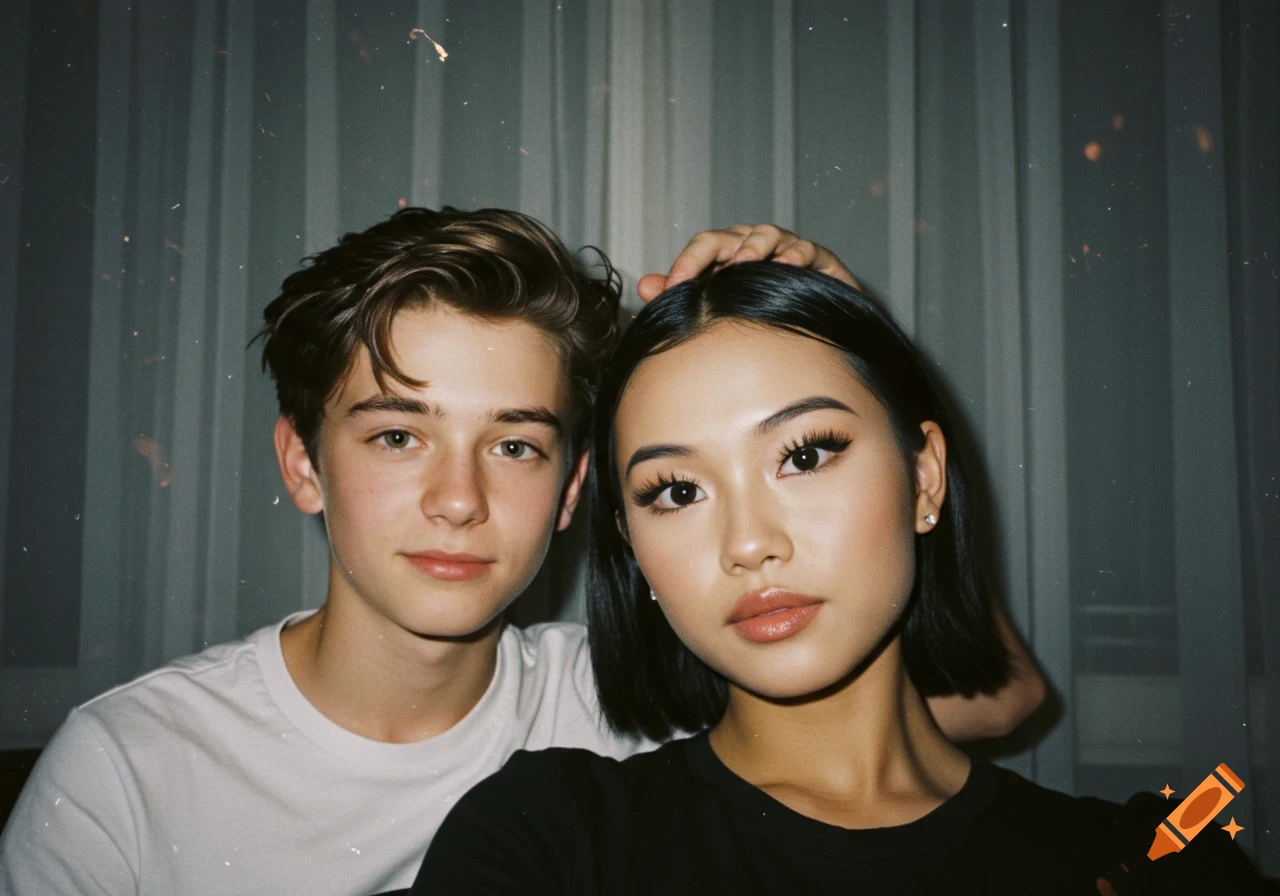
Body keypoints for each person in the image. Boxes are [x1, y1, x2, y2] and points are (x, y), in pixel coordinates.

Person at [0, 213, 1042, 896]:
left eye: (514, 442)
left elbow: (991, 698)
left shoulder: (629, 690)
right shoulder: (129, 771)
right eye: (397, 435)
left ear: (571, 491)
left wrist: (846, 343)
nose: (458, 499)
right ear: (302, 464)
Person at [413, 261, 1271, 895]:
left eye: (805, 454)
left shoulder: (1160, 862)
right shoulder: (551, 839)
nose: (748, 544)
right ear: (632, 548)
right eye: (676, 490)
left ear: (925, 478)